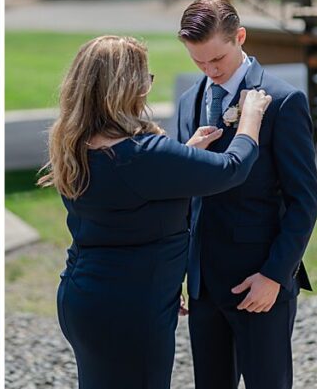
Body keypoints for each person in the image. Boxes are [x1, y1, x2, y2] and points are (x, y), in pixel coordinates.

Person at [39, 35, 271, 389]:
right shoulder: (141, 153)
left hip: (83, 295)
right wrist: (250, 119)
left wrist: (186, 153)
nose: (147, 88)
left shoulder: (77, 143)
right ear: (126, 87)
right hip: (130, 306)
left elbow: (129, 200)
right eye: (145, 79)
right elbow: (231, 168)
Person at [175, 0, 317, 389]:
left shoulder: (283, 101)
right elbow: (185, 197)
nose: (210, 70)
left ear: (239, 37)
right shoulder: (189, 101)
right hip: (203, 287)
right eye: (199, 62)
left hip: (259, 281)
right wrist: (177, 276)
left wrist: (274, 275)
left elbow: (304, 200)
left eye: (217, 59)